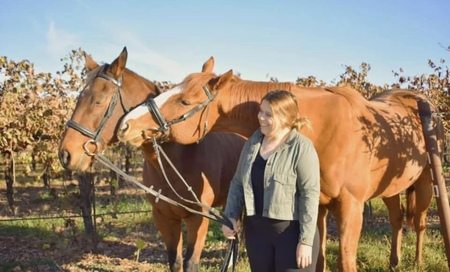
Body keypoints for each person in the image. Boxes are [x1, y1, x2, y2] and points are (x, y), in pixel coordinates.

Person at [221, 89, 320, 272]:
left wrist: (305, 241)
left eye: (268, 114)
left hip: (290, 234)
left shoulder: (301, 147)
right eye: (261, 111)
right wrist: (231, 216)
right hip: (257, 234)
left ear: (285, 118)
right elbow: (237, 182)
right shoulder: (252, 143)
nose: (261, 118)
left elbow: (309, 194)